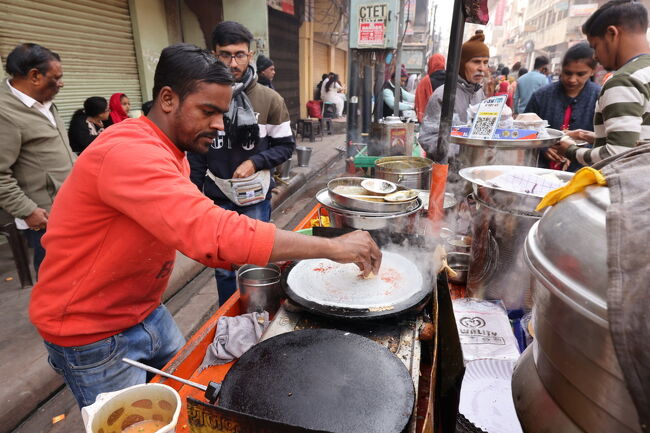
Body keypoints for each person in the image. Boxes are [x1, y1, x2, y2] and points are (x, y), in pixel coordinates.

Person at [30, 43, 381, 410]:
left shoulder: (171, 150)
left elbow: (199, 228)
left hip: (146, 310)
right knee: (145, 419)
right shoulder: (127, 152)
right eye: (208, 111)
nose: (218, 125)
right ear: (167, 99)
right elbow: (211, 232)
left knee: (184, 399)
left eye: (222, 113)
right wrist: (333, 246)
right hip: (92, 333)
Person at [188, 21, 294, 305]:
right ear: (214, 54)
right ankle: (229, 318)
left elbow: (285, 146)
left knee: (254, 263)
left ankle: (257, 315)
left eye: (239, 54)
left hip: (254, 199)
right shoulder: (203, 97)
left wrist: (256, 161)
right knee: (223, 269)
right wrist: (193, 196)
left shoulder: (269, 99)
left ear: (251, 54)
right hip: (215, 199)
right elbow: (197, 153)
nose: (233, 62)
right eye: (225, 54)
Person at [0, 43, 75, 277]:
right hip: (45, 219)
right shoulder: (5, 112)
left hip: (71, 206)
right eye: (57, 78)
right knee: (57, 279)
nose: (61, 83)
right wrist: (27, 210)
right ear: (34, 76)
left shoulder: (45, 103)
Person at [554, 0, 650, 166]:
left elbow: (618, 155)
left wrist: (570, 150)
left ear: (612, 34)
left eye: (595, 46)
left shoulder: (624, 81)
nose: (595, 57)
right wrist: (593, 137)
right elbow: (638, 140)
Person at [526, 43, 601, 172]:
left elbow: (607, 142)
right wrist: (543, 147)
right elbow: (523, 129)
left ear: (592, 71)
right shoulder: (542, 95)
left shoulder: (600, 97)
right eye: (568, 73)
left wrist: (576, 152)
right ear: (561, 68)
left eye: (580, 74)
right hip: (540, 169)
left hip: (583, 173)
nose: (572, 79)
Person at [418, 30, 489, 163]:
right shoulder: (442, 95)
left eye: (485, 62)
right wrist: (462, 152)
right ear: (462, 64)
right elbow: (427, 138)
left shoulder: (479, 93)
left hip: (471, 168)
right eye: (476, 62)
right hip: (447, 173)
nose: (482, 68)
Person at [414, 53, 446, 122]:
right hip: (447, 119)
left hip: (429, 120)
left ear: (430, 64)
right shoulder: (451, 79)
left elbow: (420, 100)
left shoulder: (425, 81)